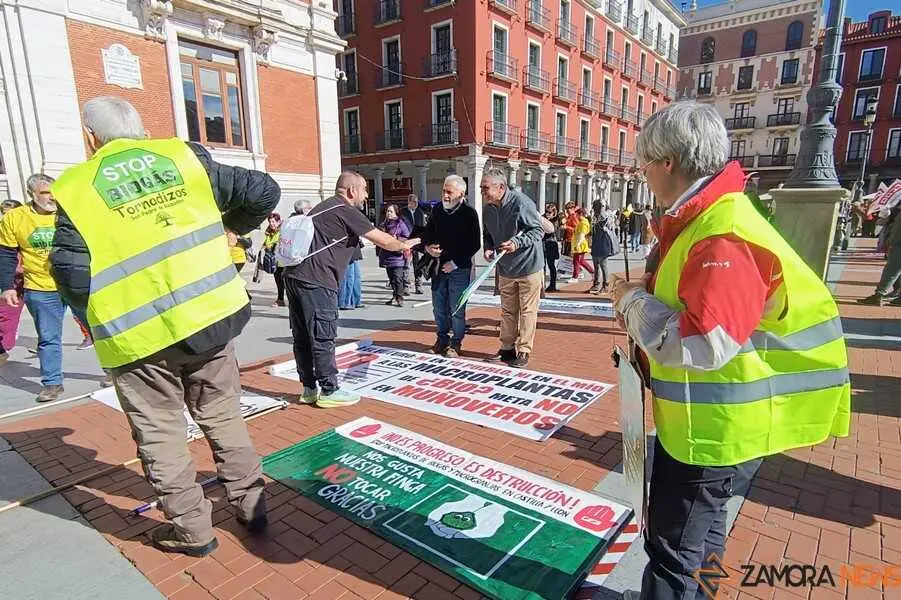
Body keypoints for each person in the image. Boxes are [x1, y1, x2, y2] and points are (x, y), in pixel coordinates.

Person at [611, 101, 850, 600]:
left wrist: (631, 302)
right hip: (714, 422)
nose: (645, 176)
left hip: (710, 430)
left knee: (673, 549)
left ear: (667, 162)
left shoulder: (724, 233)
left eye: (645, 165)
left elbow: (702, 343)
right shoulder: (715, 219)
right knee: (705, 533)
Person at [50, 96, 280, 557]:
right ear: (139, 129)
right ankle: (251, 505)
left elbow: (69, 271)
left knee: (160, 432)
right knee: (223, 414)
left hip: (138, 338)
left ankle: (193, 531)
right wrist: (230, 230)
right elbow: (263, 192)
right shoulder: (182, 156)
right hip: (210, 319)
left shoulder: (76, 187)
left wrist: (90, 313)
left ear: (90, 137)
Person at [284, 171, 420, 408]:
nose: (367, 195)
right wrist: (406, 244)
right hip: (318, 280)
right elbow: (383, 240)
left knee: (303, 337)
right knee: (323, 335)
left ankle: (308, 389)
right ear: (351, 191)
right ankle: (329, 390)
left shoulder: (322, 207)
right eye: (365, 189)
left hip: (295, 276)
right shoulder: (345, 209)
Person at [0, 174, 72, 402]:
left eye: (54, 192)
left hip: (75, 283)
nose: (52, 197)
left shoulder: (69, 210)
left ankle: (113, 372)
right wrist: (7, 286)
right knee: (49, 337)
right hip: (41, 287)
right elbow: (6, 254)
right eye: (45, 193)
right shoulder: (15, 218)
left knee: (97, 330)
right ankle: (52, 383)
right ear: (31, 193)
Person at [481, 167, 545, 368]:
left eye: (485, 188)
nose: (483, 192)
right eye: (482, 188)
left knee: (527, 311)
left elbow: (538, 231)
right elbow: (487, 233)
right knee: (507, 311)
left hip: (529, 267)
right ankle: (507, 348)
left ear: (501, 187)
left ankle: (524, 350)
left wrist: (516, 243)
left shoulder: (522, 203)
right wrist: (489, 247)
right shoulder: (488, 208)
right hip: (506, 268)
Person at [422, 175, 481, 357]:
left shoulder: (469, 213)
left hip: (459, 269)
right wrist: (428, 247)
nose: (445, 195)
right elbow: (428, 233)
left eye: (449, 192)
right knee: (439, 307)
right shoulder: (438, 210)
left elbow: (474, 244)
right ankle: (442, 339)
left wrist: (455, 264)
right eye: (443, 191)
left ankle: (456, 343)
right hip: (438, 266)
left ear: (461, 194)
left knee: (456, 309)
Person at [857, 202, 901, 306]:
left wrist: (890, 242)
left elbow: (898, 231)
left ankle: (879, 295)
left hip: (899, 245)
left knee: (891, 270)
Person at [0, 199, 24, 366]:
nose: (6, 217)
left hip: (29, 281)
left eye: (9, 213)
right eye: (3, 213)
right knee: (5, 316)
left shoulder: (26, 229)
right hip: (10, 282)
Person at [378, 204, 411, 307]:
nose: (389, 213)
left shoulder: (400, 223)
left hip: (398, 255)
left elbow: (407, 236)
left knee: (398, 277)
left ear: (396, 212)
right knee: (391, 278)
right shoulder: (383, 224)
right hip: (387, 255)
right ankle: (395, 295)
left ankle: (399, 297)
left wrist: (396, 238)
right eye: (388, 211)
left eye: (391, 211)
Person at [400, 194, 427, 295]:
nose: (415, 204)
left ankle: (418, 286)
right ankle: (406, 286)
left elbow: (423, 226)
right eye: (413, 202)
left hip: (418, 242)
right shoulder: (403, 212)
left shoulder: (420, 212)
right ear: (409, 202)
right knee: (406, 265)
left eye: (416, 202)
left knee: (418, 265)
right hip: (407, 242)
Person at [589, 201, 617, 294]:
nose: (594, 208)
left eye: (595, 206)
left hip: (603, 243)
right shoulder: (594, 217)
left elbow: (606, 223)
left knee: (603, 265)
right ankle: (596, 284)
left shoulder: (605, 216)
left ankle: (606, 285)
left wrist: (602, 207)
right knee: (596, 265)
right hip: (596, 243)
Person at [261, 213, 285, 307]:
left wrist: (273, 245)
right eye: (270, 222)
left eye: (273, 222)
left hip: (282, 260)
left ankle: (288, 300)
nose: (271, 224)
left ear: (278, 222)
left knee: (285, 282)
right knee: (278, 281)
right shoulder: (269, 232)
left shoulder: (282, 231)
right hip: (274, 260)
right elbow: (266, 242)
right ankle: (280, 300)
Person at [568, 207, 594, 284]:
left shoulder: (583, 223)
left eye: (577, 214)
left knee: (576, 261)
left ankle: (575, 277)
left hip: (580, 245)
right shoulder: (582, 222)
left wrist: (577, 245)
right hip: (578, 244)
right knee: (581, 261)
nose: (576, 216)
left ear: (581, 214)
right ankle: (593, 273)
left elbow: (581, 236)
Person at [338, 240, 364, 310]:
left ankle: (355, 301)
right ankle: (344, 302)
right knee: (348, 278)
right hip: (347, 247)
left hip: (353, 246)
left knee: (355, 277)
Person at [542, 204, 561, 292]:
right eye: (546, 212)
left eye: (549, 212)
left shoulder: (556, 220)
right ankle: (541, 284)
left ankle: (552, 285)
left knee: (551, 265)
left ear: (554, 212)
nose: (547, 214)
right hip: (543, 244)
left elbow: (552, 231)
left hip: (551, 244)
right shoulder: (543, 218)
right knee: (542, 265)